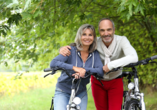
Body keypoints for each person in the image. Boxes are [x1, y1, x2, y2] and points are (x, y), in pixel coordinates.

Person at [59, 18, 138, 110]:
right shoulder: (95, 42)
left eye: (109, 29)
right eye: (102, 30)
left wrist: (110, 66)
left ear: (114, 29)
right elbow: (78, 47)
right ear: (99, 31)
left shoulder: (122, 40)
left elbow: (134, 57)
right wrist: (62, 49)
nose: (106, 33)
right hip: (97, 82)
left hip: (115, 80)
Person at [50, 24, 104, 110]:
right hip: (63, 90)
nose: (87, 37)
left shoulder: (95, 54)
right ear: (79, 36)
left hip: (80, 92)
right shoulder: (70, 50)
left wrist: (83, 70)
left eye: (90, 35)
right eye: (84, 34)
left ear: (94, 38)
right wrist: (74, 68)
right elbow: (53, 63)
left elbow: (100, 71)